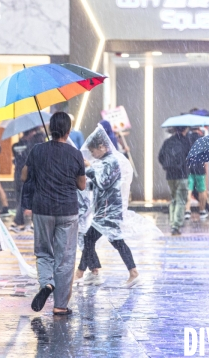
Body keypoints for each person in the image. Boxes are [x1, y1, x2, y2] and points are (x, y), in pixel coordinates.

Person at [22, 112, 86, 315]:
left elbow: (24, 176)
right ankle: (60, 306)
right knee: (65, 258)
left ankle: (47, 284)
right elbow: (82, 185)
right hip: (67, 210)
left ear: (50, 129)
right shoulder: (75, 154)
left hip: (42, 209)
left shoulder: (37, 150)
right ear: (68, 132)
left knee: (43, 252)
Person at [74, 126, 140, 288]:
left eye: (94, 151)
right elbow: (96, 183)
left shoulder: (110, 161)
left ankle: (132, 272)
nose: (93, 154)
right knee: (90, 240)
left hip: (108, 210)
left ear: (102, 147)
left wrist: (89, 168)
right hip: (103, 210)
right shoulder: (104, 161)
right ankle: (87, 272)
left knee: (115, 240)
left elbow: (102, 182)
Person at [158, 126, 191, 235]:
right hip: (182, 175)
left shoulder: (167, 142)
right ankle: (176, 226)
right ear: (184, 129)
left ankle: (172, 223)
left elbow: (160, 157)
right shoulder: (186, 141)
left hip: (170, 176)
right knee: (181, 200)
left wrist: (166, 166)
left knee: (173, 199)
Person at [11, 127, 44, 232]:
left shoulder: (15, 146)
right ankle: (19, 221)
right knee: (25, 198)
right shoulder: (31, 146)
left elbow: (17, 159)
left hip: (17, 173)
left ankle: (21, 221)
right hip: (27, 174)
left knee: (19, 197)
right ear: (30, 132)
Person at [185, 127, 209, 220]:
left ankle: (187, 211)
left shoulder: (187, 138)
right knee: (202, 190)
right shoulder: (202, 139)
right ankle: (202, 211)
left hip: (189, 168)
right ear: (198, 128)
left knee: (188, 190)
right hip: (200, 168)